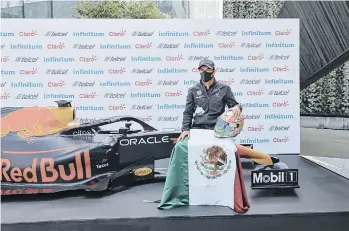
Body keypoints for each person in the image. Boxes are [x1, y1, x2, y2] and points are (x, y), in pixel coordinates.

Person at [177, 59, 243, 142]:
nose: (204, 72)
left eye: (208, 69)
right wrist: (185, 129)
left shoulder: (224, 88)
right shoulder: (193, 90)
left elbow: (235, 106)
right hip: (197, 129)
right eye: (202, 70)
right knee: (180, 147)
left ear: (214, 71)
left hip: (218, 130)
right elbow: (188, 112)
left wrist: (237, 107)